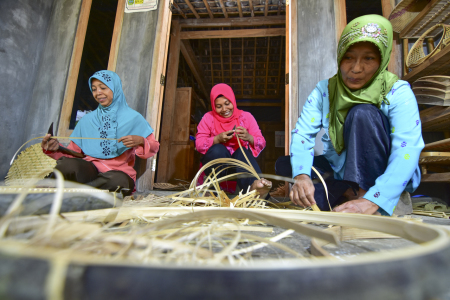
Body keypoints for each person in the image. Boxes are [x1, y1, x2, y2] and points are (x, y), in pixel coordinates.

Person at [276, 15, 424, 215]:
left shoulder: (397, 92)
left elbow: (407, 150)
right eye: (349, 57)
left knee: (362, 114)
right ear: (340, 56)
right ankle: (347, 190)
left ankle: (368, 197)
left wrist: (374, 199)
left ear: (382, 59)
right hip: (341, 167)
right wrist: (301, 176)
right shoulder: (325, 90)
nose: (356, 69)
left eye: (369, 58)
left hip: (380, 170)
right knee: (286, 164)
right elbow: (303, 134)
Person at [41, 70, 160, 196]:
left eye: (103, 87)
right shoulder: (87, 120)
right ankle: (49, 192)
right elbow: (74, 154)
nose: (98, 93)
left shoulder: (134, 118)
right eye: (94, 89)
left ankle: (77, 194)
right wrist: (55, 149)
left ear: (116, 88)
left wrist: (141, 141)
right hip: (88, 171)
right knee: (67, 165)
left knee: (119, 181)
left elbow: (154, 146)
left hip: (117, 174)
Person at [195, 83, 272, 198]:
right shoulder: (208, 118)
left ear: (233, 101)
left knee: (242, 153)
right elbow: (199, 144)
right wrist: (217, 139)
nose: (224, 109)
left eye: (227, 103)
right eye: (219, 106)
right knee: (218, 149)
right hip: (217, 167)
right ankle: (212, 187)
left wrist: (249, 137)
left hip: (238, 167)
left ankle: (255, 190)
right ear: (213, 105)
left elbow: (261, 141)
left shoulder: (246, 117)